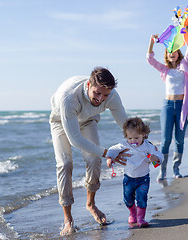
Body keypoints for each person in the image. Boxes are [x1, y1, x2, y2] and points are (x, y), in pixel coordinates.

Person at [49, 67, 130, 235]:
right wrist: (108, 152)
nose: (100, 99)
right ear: (88, 84)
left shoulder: (111, 96)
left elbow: (126, 125)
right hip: (60, 120)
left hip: (88, 121)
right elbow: (75, 140)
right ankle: (68, 219)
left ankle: (91, 204)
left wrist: (144, 141)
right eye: (97, 93)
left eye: (105, 95)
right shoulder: (69, 97)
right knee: (65, 164)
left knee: (94, 159)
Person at [147, 26, 188, 180]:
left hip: (183, 106)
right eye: (169, 51)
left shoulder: (185, 65)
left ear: (178, 53)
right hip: (168, 106)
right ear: (167, 55)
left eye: (174, 50)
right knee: (165, 141)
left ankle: (176, 169)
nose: (172, 53)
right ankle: (162, 171)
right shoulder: (164, 69)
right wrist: (151, 41)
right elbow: (149, 59)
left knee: (179, 140)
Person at [106, 117, 163, 227]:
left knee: (142, 198)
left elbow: (159, 154)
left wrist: (155, 158)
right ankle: (133, 213)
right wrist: (109, 157)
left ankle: (141, 218)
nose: (133, 141)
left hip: (143, 179)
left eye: (137, 138)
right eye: (130, 138)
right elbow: (113, 149)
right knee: (128, 199)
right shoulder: (124, 144)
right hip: (129, 178)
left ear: (144, 135)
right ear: (126, 136)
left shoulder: (148, 145)